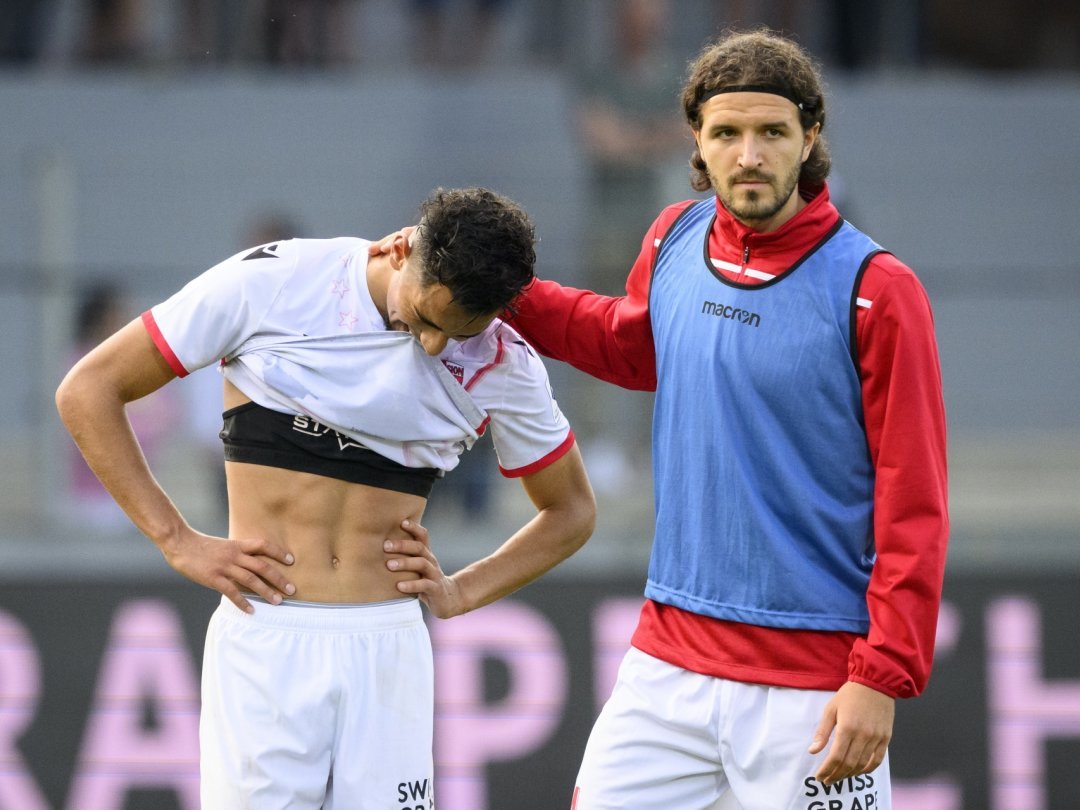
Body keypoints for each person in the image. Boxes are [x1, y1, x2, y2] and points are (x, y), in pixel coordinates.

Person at [499, 29, 949, 809]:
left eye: (772, 132)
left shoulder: (880, 290)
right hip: (666, 664)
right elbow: (632, 346)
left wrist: (881, 675)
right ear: (697, 144)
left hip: (810, 688)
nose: (748, 155)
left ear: (810, 138)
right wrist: (508, 288)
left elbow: (914, 504)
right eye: (726, 134)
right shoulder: (673, 235)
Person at [55, 186, 596, 808]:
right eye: (424, 318)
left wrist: (462, 592)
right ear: (400, 248)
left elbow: (572, 511)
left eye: (457, 333)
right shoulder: (276, 281)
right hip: (267, 638)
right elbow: (90, 389)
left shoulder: (506, 362)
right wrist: (176, 540)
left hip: (390, 646)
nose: (432, 346)